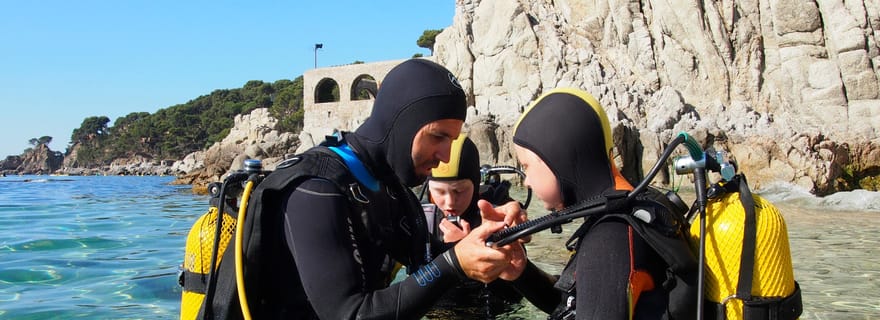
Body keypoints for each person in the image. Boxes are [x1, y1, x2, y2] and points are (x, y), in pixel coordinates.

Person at [204, 58, 527, 319]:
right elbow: (350, 313)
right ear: (402, 123)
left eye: (452, 141)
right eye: (438, 136)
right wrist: (454, 263)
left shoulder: (386, 187)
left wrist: (493, 240)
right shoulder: (315, 190)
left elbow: (427, 265)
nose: (444, 157)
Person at [492, 88, 697, 319]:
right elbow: (576, 305)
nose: (526, 181)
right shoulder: (638, 206)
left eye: (527, 165)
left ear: (558, 156)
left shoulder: (611, 237)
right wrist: (522, 273)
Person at [421, 133, 524, 318]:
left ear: (476, 186)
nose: (450, 202)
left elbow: (514, 294)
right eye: (439, 192)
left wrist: (466, 253)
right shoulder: (421, 221)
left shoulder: (492, 219)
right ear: (429, 191)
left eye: (459, 191)